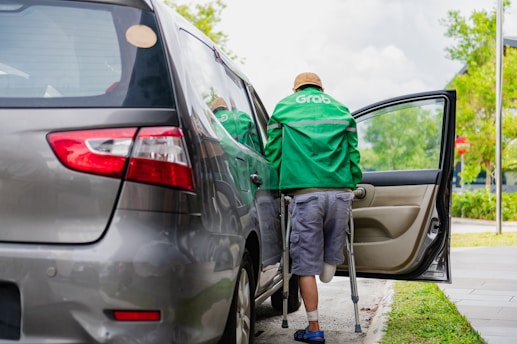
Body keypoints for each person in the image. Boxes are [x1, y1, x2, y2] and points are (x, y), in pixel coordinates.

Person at [265, 72, 362, 344]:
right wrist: (354, 183)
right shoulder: (339, 108)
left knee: (305, 265)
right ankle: (330, 264)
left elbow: (273, 152)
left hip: (306, 195)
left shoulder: (285, 106)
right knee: (333, 248)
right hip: (340, 193)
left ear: (295, 89)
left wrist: (275, 182)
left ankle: (314, 328)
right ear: (322, 88)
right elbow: (353, 153)